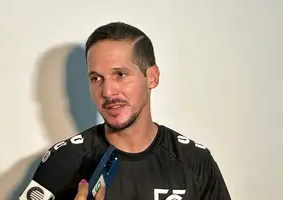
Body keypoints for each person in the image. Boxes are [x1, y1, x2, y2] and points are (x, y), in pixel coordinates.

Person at [26, 22, 232, 200]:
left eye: (120, 74)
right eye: (96, 78)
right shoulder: (64, 160)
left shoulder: (194, 161)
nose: (107, 91)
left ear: (152, 77)